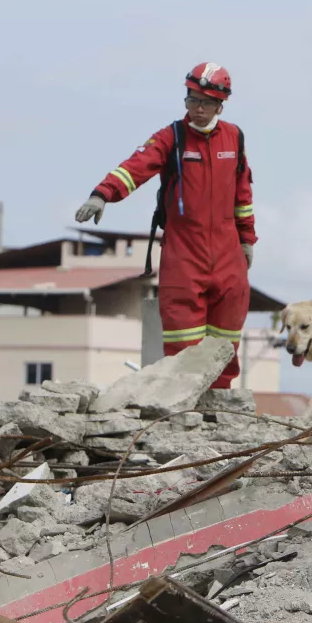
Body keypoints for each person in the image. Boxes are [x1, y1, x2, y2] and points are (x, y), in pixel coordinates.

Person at [75, 62, 256, 388]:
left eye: (205, 102)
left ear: (220, 104)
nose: (197, 109)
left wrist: (247, 240)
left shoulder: (234, 139)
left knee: (226, 336)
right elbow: (136, 166)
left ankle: (221, 407)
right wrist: (102, 194)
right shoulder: (171, 138)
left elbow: (243, 194)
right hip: (185, 252)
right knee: (182, 336)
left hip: (228, 252)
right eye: (191, 100)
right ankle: (182, 403)